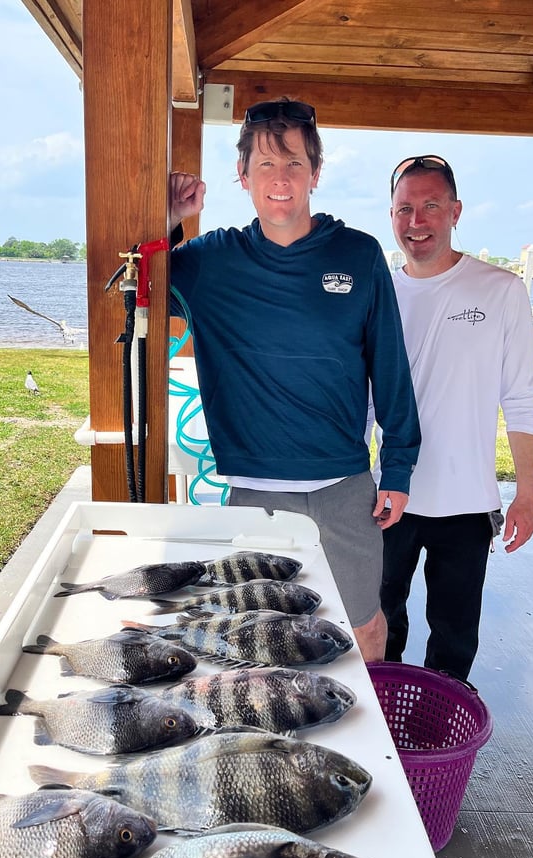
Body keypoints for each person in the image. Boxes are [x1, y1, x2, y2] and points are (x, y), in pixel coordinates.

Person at [168, 99, 421, 662]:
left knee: (364, 632)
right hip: (253, 490)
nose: (280, 180)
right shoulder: (210, 260)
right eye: (265, 165)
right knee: (256, 642)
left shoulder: (357, 254)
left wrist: (398, 466)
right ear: (242, 176)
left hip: (343, 488)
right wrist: (167, 216)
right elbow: (130, 286)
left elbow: (391, 367)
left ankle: (362, 752)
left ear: (315, 173)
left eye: (294, 165)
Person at [376, 153, 533, 680]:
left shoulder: (501, 290)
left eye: (430, 206)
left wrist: (528, 494)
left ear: (455, 211)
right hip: (387, 495)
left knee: (453, 639)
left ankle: (438, 744)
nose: (416, 221)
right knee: (378, 631)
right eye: (404, 209)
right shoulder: (379, 292)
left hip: (468, 503)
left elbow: (519, 396)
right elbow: (356, 397)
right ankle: (381, 743)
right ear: (392, 215)